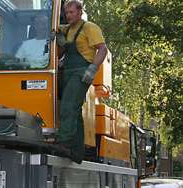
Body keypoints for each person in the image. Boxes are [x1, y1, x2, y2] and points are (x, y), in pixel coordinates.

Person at [53, 0, 108, 164]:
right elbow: (55, 29)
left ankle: (63, 143)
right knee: (75, 112)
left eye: (71, 12)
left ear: (80, 12)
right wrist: (54, 35)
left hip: (81, 72)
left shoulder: (89, 27)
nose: (68, 15)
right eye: (66, 13)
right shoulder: (68, 29)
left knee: (68, 105)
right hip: (68, 71)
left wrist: (93, 68)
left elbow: (102, 49)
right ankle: (76, 152)